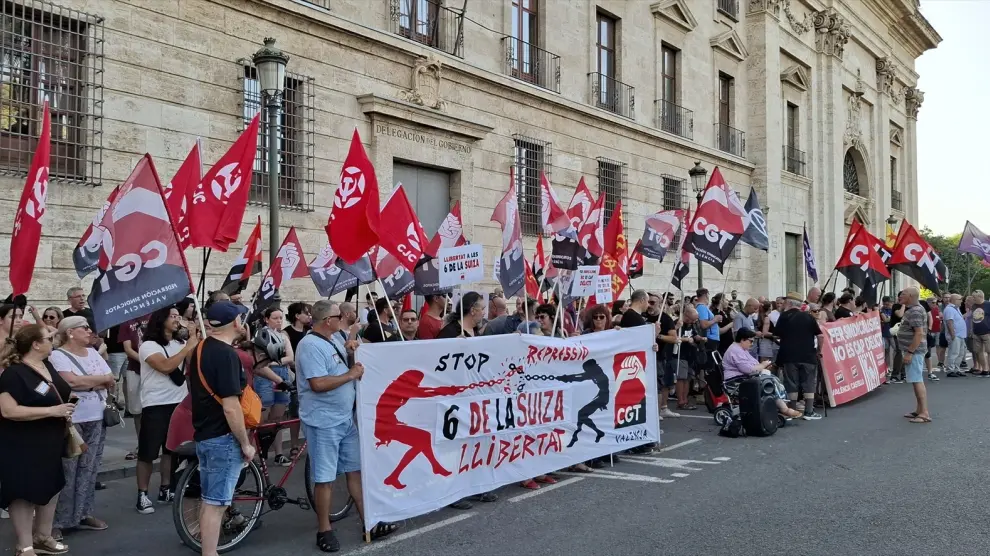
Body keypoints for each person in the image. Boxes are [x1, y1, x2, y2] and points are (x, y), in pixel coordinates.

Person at [295, 300, 398, 551]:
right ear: (326, 321)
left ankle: (369, 522)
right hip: (323, 421)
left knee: (355, 471)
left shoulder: (332, 339)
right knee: (325, 478)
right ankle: (324, 530)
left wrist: (350, 349)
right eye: (337, 316)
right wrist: (350, 375)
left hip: (344, 418)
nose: (341, 318)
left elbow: (338, 364)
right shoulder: (309, 345)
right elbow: (318, 383)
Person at [0, 325, 75, 556]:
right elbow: (8, 411)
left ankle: (43, 536)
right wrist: (52, 411)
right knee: (23, 492)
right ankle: (24, 546)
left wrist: (67, 404)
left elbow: (55, 392)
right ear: (35, 344)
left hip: (50, 439)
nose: (53, 341)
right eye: (48, 338)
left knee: (51, 485)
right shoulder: (13, 373)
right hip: (22, 442)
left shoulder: (47, 366)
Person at [188, 301, 255, 556]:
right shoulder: (227, 355)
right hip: (222, 437)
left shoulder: (201, 347)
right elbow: (231, 407)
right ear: (235, 322)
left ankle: (209, 551)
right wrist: (245, 443)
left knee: (210, 500)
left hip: (206, 433)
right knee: (216, 504)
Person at [48, 317, 115, 539]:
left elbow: (110, 378)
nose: (89, 331)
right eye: (84, 327)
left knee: (90, 467)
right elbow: (71, 383)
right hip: (72, 419)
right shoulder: (58, 356)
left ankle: (83, 513)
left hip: (97, 416)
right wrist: (98, 381)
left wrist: (89, 382)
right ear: (70, 332)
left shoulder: (93, 352)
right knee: (68, 469)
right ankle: (58, 520)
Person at [136, 306, 199, 513]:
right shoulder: (148, 345)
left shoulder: (179, 343)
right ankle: (142, 494)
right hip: (155, 404)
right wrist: (187, 348)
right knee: (148, 452)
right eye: (172, 316)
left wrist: (193, 339)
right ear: (161, 319)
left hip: (178, 402)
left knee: (171, 450)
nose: (177, 319)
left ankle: (166, 488)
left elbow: (192, 364)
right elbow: (165, 366)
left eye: (178, 316)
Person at [722, 328, 802, 419]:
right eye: (751, 341)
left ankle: (782, 407)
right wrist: (763, 365)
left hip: (741, 378)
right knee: (768, 382)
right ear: (742, 339)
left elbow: (753, 364)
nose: (752, 344)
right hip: (735, 381)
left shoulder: (740, 349)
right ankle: (783, 408)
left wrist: (762, 366)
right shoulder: (736, 351)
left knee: (770, 379)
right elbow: (748, 369)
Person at [255, 307, 297, 466]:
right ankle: (260, 456)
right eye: (275, 318)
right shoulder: (260, 335)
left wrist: (273, 361)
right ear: (266, 319)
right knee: (262, 417)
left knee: (278, 418)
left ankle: (278, 453)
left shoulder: (283, 336)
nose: (279, 321)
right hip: (265, 377)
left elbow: (290, 357)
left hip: (282, 375)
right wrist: (277, 361)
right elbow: (259, 360)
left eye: (281, 318)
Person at [775, 293, 823, 421]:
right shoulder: (809, 317)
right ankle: (809, 411)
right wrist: (819, 350)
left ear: (790, 303)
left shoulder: (784, 316)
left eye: (786, 302)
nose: (784, 304)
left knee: (791, 383)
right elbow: (820, 336)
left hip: (789, 355)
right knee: (809, 382)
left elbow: (776, 334)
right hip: (808, 355)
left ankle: (792, 411)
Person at [899, 287, 931, 423]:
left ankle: (924, 413)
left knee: (917, 380)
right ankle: (919, 410)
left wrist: (910, 352)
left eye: (903, 294)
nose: (900, 296)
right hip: (914, 350)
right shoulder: (913, 310)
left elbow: (918, 333)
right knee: (915, 379)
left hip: (914, 351)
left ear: (911, 296)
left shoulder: (915, 311)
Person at [119, 318, 144, 461]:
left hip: (157, 370)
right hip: (135, 369)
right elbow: (128, 348)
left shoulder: (155, 316)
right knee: (137, 411)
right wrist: (146, 361)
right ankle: (141, 445)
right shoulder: (127, 321)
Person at [943, 294, 968, 377]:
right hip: (955, 335)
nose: (961, 301)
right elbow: (949, 322)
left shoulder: (956, 308)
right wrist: (952, 334)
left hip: (960, 335)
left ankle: (956, 369)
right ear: (954, 300)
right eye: (960, 299)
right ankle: (950, 370)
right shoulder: (950, 309)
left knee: (960, 353)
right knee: (954, 353)